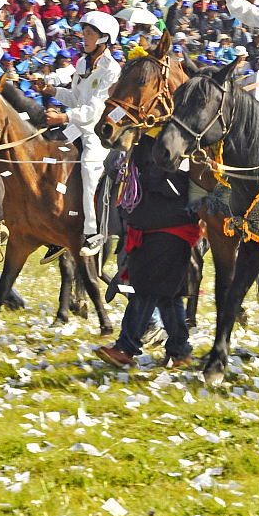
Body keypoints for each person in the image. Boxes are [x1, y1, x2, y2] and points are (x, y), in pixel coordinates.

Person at [95, 133, 200, 369]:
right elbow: (116, 167)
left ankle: (126, 348)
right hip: (150, 226)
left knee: (146, 290)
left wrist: (139, 154)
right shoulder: (145, 142)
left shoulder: (177, 143)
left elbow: (163, 179)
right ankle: (180, 350)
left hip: (171, 226)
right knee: (166, 295)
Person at [41, 10, 122, 257]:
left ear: (103, 38)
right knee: (47, 159)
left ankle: (93, 232)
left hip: (99, 132)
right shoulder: (82, 63)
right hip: (77, 126)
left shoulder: (111, 68)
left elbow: (95, 109)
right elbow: (76, 98)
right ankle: (57, 229)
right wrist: (52, 90)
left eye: (89, 34)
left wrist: (64, 117)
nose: (84, 37)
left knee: (88, 167)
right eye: (84, 33)